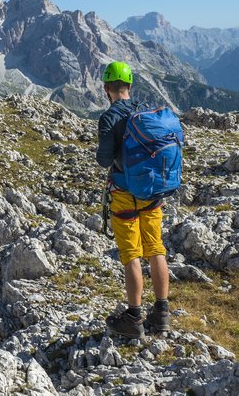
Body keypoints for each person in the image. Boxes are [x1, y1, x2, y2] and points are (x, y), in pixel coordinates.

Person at [95, 61, 170, 338]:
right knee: (155, 248)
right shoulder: (144, 111)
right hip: (152, 191)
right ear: (129, 86)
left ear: (106, 89)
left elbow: (104, 160)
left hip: (125, 195)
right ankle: (161, 314)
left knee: (131, 255)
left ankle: (134, 318)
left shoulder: (109, 118)